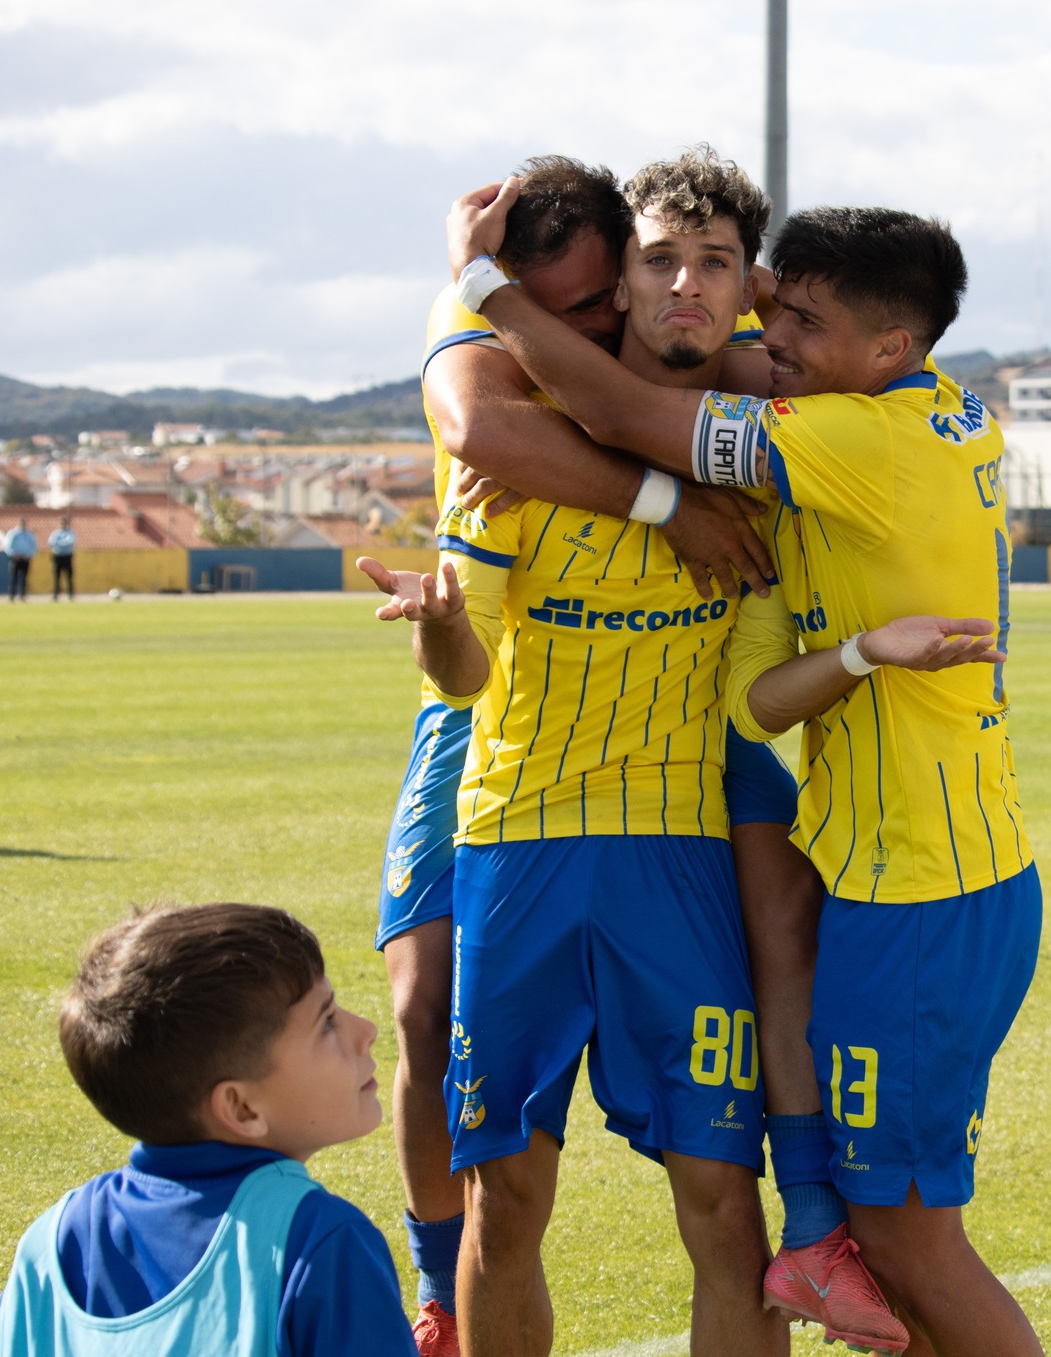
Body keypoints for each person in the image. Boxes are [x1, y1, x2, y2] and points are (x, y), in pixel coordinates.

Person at [450, 190, 1042, 1357]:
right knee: (886, 1238)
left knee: (914, 1238)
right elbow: (755, 702)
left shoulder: (854, 441)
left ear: (890, 348)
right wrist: (861, 655)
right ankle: (816, 1226)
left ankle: (824, 1223)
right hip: (878, 873)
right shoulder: (885, 420)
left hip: (932, 886)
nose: (768, 342)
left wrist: (472, 288)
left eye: (794, 322)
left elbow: (615, 405)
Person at [358, 153, 849, 1357]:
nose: (681, 287)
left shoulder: (761, 450)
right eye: (656, 264)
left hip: (674, 854)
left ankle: (829, 1229)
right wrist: (438, 633)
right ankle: (436, 1291)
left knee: (719, 1206)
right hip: (517, 838)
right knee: (506, 1195)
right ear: (620, 281)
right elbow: (466, 680)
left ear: (745, 289)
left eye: (712, 266)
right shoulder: (508, 445)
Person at [0, 904, 416, 1357]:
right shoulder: (321, 1244)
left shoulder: (53, 1245)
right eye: (327, 1023)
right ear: (240, 1108)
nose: (366, 1030)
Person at [5, 520, 37, 602]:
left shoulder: (29, 534)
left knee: (23, 578)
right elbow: (8, 545)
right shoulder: (13, 534)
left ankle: (22, 595)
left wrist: (29, 555)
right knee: (13, 578)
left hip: (25, 558)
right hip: (15, 558)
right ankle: (11, 596)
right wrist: (13, 554)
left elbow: (33, 546)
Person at [48, 517, 76, 601]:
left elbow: (70, 542)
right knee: (56, 577)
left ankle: (70, 595)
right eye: (62, 522)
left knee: (69, 577)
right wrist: (63, 544)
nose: (63, 524)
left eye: (65, 522)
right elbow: (51, 542)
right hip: (57, 556)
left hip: (67, 557)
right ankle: (56, 595)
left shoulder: (70, 533)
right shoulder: (55, 533)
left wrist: (59, 544)